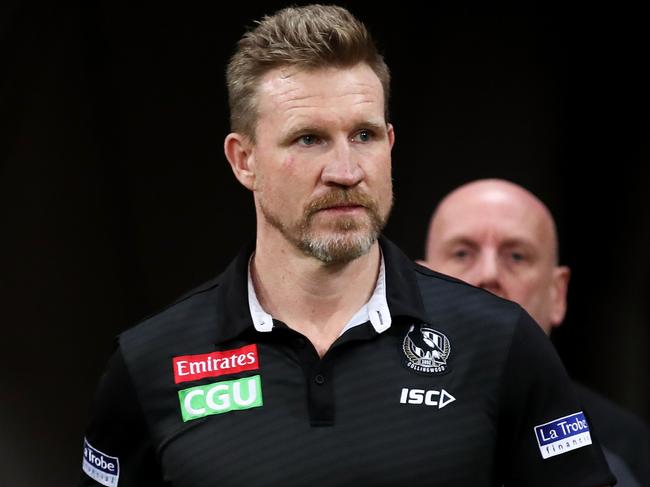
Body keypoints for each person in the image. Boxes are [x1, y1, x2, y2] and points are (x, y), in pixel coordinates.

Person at [79, 6, 615, 486]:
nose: (345, 171)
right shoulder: (150, 361)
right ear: (244, 160)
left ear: (390, 144)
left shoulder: (500, 341)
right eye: (308, 139)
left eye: (364, 135)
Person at [423, 178, 650, 486]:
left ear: (557, 293)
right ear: (418, 286)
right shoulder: (364, 416)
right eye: (462, 254)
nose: (488, 274)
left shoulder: (626, 452)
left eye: (516, 256)